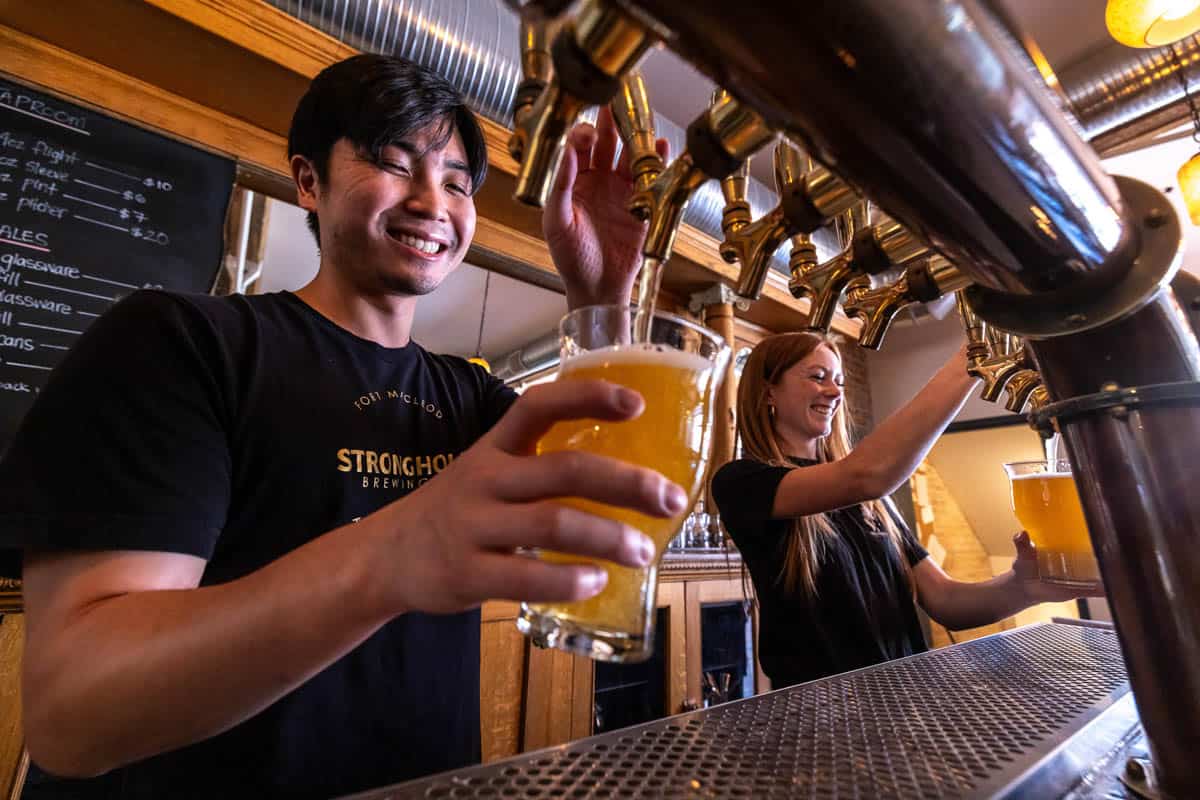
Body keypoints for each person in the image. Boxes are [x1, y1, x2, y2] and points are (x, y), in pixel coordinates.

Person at [0, 54, 674, 799]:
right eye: (394, 162)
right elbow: (74, 709)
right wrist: (393, 550)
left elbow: (618, 510)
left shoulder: (474, 401)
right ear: (309, 182)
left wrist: (602, 291)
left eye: (456, 181)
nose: (432, 200)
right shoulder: (182, 344)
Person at [711, 332, 1100, 690]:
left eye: (840, 382)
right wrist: (973, 356)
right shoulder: (742, 482)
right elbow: (866, 474)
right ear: (768, 393)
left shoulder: (868, 502)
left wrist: (1023, 587)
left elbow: (946, 601)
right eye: (817, 377)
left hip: (902, 701)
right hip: (821, 718)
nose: (834, 391)